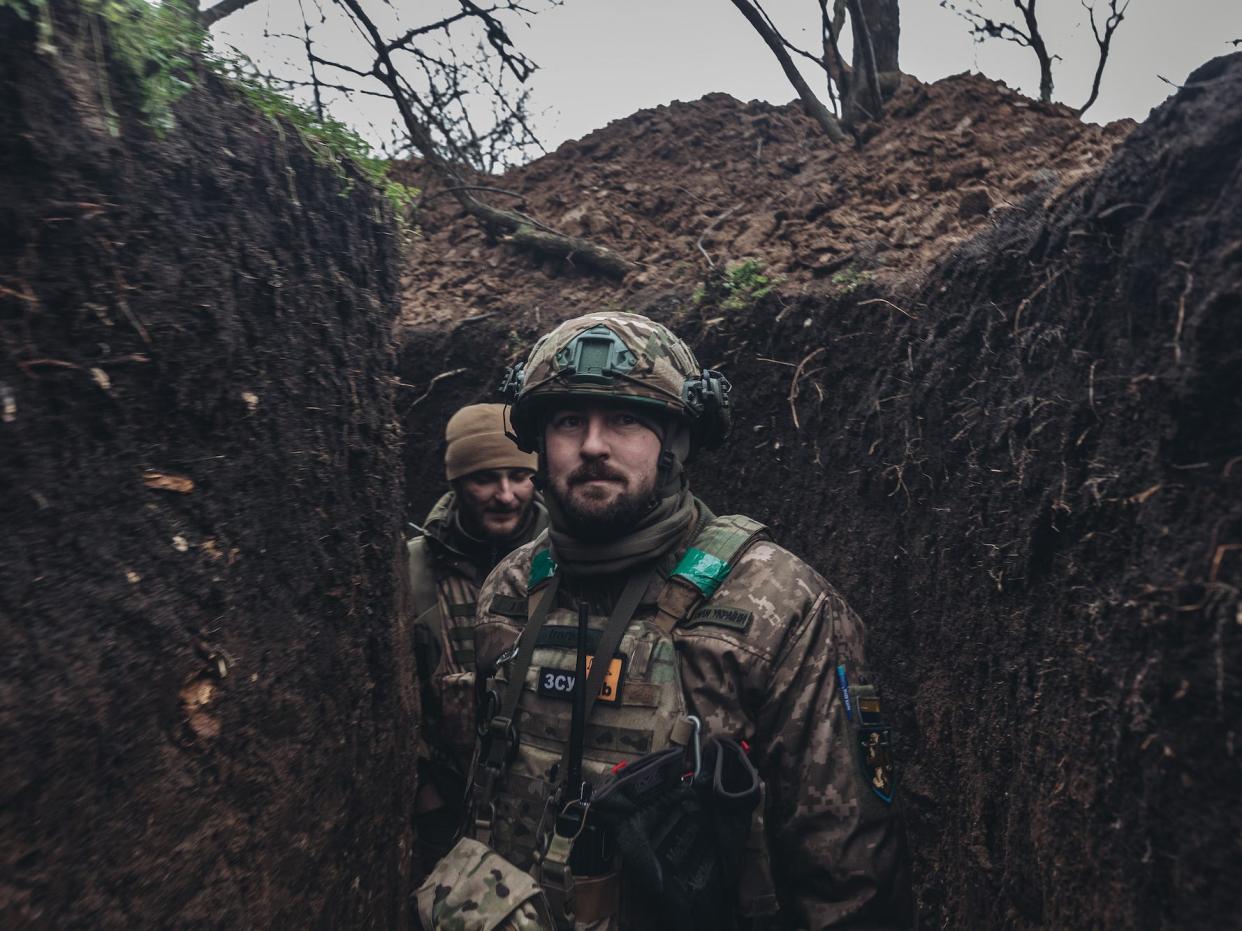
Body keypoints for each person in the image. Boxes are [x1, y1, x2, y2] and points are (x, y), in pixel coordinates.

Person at [447, 313, 910, 929]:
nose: (592, 445)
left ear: (674, 442)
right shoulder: (508, 590)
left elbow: (847, 885)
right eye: (567, 420)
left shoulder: (776, 606)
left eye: (625, 418)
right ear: (539, 442)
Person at [408, 403, 548, 871]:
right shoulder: (411, 574)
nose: (505, 495)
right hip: (449, 813)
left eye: (519, 475)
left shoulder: (578, 559)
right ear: (454, 482)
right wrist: (427, 802)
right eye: (484, 478)